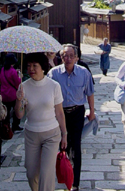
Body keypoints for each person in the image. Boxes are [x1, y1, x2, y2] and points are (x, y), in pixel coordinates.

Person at [14, 52, 67, 191]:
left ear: (42, 67)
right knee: (31, 173)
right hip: (31, 134)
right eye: (29, 66)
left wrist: (64, 133)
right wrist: (18, 99)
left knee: (46, 173)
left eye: (34, 66)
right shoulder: (23, 87)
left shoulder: (54, 86)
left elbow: (59, 112)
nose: (31, 69)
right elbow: (19, 115)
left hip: (51, 133)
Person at [48, 44, 95, 191]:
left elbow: (90, 93)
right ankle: (64, 176)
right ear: (61, 58)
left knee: (76, 145)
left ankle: (75, 183)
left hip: (77, 112)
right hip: (59, 113)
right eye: (64, 56)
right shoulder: (53, 74)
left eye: (70, 56)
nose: (67, 59)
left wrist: (92, 111)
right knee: (62, 145)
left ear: (76, 57)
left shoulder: (84, 73)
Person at [0, 53, 22, 131]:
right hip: (12, 94)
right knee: (16, 110)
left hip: (4, 94)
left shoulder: (2, 69)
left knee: (6, 111)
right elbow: (17, 82)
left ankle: (6, 126)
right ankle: (15, 125)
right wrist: (20, 76)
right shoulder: (12, 71)